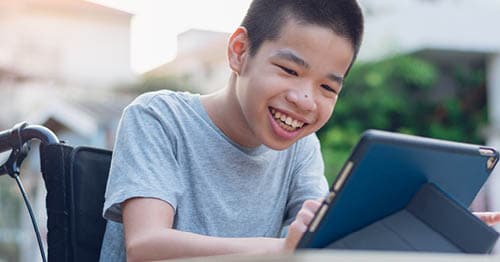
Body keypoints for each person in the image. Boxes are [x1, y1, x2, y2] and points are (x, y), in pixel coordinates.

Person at [99, 0, 500, 261]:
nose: (306, 100)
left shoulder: (301, 148)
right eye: (290, 70)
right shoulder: (158, 117)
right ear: (240, 52)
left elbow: (322, 244)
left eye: (327, 87)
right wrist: (285, 249)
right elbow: (146, 247)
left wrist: (423, 228)